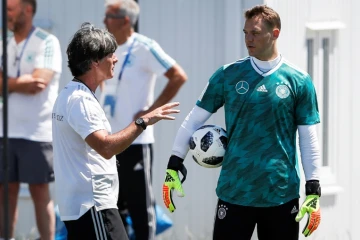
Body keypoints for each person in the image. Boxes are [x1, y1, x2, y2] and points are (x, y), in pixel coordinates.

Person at [162, 5, 321, 240]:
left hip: (280, 193)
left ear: (275, 33)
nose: (248, 39)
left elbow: (308, 138)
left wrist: (313, 188)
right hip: (235, 191)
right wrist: (174, 164)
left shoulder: (299, 80)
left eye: (255, 33)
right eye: (245, 32)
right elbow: (193, 120)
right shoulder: (227, 75)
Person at [52, 22, 180, 240]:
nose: (116, 59)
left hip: (84, 207)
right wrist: (144, 121)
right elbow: (106, 147)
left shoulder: (71, 93)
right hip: (92, 207)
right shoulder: (81, 100)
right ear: (94, 62)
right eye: (111, 54)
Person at [103, 0, 188, 239]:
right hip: (108, 139)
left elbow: (178, 76)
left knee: (141, 208)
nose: (104, 21)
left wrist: (150, 111)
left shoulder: (144, 47)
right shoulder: (105, 47)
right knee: (111, 206)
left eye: (109, 16)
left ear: (125, 20)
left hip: (136, 141)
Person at [0, 0, 62, 239]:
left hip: (37, 131)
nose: (6, 13)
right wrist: (20, 83)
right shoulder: (4, 42)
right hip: (6, 131)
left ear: (28, 10)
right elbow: (28, 82)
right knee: (6, 192)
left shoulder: (47, 42)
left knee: (39, 191)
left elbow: (39, 83)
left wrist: (6, 84)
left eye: (10, 9)